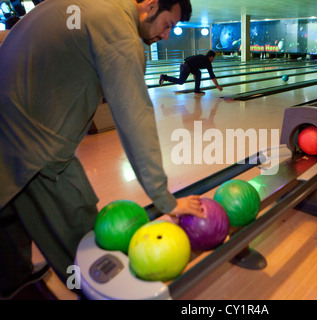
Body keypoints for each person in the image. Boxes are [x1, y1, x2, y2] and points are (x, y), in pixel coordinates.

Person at [0, 0, 203, 299]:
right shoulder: (119, 33)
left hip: (8, 125)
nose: (167, 36)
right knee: (83, 234)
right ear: (150, 5)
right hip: (33, 142)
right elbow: (135, 118)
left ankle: (15, 284)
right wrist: (166, 200)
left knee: (8, 210)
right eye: (168, 25)